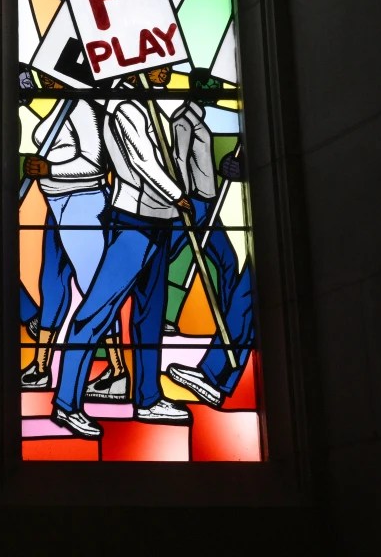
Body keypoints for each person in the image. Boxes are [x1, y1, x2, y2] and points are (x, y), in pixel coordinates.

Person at [50, 66, 192, 439]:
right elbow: (144, 163)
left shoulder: (146, 103)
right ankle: (66, 404)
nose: (168, 70)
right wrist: (179, 196)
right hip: (134, 218)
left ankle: (148, 397)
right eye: (160, 64)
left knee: (149, 314)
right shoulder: (126, 106)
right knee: (98, 310)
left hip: (159, 219)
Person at [17, 70, 127, 399]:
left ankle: (118, 371)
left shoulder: (83, 108)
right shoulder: (61, 103)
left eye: (52, 75)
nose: (45, 80)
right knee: (52, 288)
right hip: (57, 205)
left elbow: (94, 163)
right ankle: (40, 366)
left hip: (83, 205)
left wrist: (49, 169)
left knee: (96, 289)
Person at [163, 96, 252, 407]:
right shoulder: (184, 118)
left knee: (234, 276)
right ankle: (216, 373)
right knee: (168, 256)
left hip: (204, 202)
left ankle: (217, 374)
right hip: (193, 202)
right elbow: (179, 155)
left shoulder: (201, 117)